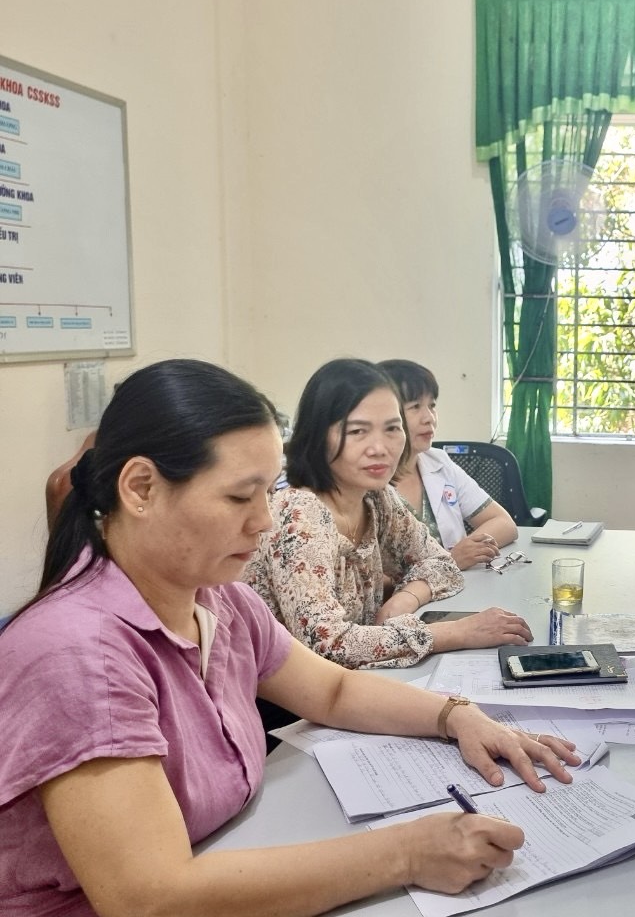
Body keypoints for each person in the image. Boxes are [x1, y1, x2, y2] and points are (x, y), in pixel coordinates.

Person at [0, 359, 580, 917]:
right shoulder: (79, 655)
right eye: (239, 496)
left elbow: (332, 691)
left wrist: (457, 715)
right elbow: (153, 899)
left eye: (266, 491)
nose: (266, 520)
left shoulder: (220, 600)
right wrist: (406, 854)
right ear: (141, 489)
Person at [243, 359, 531, 668]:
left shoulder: (375, 497)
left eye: (393, 428)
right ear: (317, 436)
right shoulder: (299, 514)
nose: (380, 448)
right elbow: (328, 645)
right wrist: (455, 633)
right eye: (358, 431)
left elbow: (441, 562)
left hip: (357, 679)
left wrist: (407, 598)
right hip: (280, 692)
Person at [378, 359, 518, 570]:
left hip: (460, 586)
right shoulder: (367, 483)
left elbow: (505, 524)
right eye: (415, 407)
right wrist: (449, 560)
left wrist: (465, 551)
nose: (429, 418)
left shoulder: (438, 461)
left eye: (432, 405)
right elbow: (370, 578)